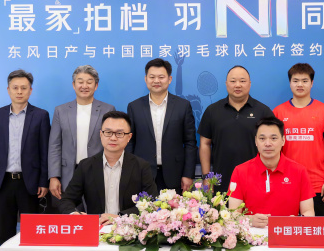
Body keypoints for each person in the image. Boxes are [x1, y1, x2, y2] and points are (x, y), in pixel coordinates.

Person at [0, 69, 50, 251]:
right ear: (8, 90)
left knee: (31, 233)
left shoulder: (41, 116)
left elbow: (44, 152)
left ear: (30, 91)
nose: (19, 91)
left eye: (24, 88)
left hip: (29, 184)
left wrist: (43, 181)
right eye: (15, 87)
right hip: (3, 182)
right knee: (5, 232)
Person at [58, 111, 157, 226]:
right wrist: (74, 214)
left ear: (129, 137)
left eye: (119, 133)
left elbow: (152, 202)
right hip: (96, 228)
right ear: (101, 134)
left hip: (128, 228)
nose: (113, 138)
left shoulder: (141, 166)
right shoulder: (86, 166)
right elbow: (67, 200)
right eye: (108, 132)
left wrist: (121, 217)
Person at [273, 63, 324, 216]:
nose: (300, 84)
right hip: (285, 182)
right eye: (296, 80)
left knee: (318, 230)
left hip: (318, 185)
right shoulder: (278, 113)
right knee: (286, 230)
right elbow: (272, 150)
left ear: (312, 83)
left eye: (304, 81)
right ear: (290, 83)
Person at [48, 65, 115, 211]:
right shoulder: (61, 111)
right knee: (69, 216)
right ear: (74, 85)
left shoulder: (108, 110)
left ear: (96, 86)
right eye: (80, 81)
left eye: (89, 82)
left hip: (97, 171)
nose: (84, 86)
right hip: (68, 173)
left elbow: (111, 143)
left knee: (95, 215)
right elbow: (54, 145)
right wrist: (54, 176)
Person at [126, 58, 197, 193]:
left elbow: (190, 143)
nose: (156, 81)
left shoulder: (183, 106)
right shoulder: (134, 107)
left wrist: (188, 174)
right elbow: (129, 142)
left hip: (175, 174)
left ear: (169, 79)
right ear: (146, 79)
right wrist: (130, 172)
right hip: (142, 174)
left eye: (161, 77)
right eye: (152, 77)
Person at [228, 117, 314, 227]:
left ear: (283, 140)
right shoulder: (240, 171)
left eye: (273, 138)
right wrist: (249, 220)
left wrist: (297, 221)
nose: (268, 143)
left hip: (286, 233)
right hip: (251, 234)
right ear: (256, 141)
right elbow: (232, 214)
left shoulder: (299, 171)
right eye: (262, 138)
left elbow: (308, 212)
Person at [198, 66, 273, 191]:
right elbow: (204, 144)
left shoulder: (263, 111)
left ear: (249, 84)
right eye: (233, 81)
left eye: (242, 81)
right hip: (221, 179)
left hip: (256, 179)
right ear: (226, 84)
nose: (238, 85)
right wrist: (207, 177)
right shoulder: (212, 111)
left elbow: (273, 145)